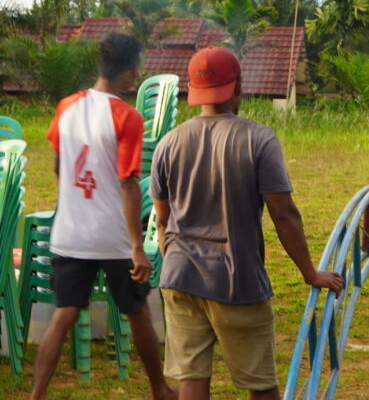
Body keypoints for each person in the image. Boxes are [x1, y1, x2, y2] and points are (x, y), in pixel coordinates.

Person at [149, 46, 343, 400]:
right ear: (237, 87)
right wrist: (310, 273)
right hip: (236, 280)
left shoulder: (168, 143)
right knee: (259, 383)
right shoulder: (258, 139)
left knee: (191, 379)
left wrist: (173, 258)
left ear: (193, 91)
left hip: (179, 277)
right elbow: (283, 215)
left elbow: (162, 220)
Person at [34, 33, 175, 399]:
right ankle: (160, 389)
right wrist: (136, 247)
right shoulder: (126, 117)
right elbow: (128, 184)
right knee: (137, 310)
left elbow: (59, 166)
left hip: (69, 234)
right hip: (112, 238)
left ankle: (35, 397)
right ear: (129, 72)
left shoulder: (66, 106)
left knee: (64, 314)